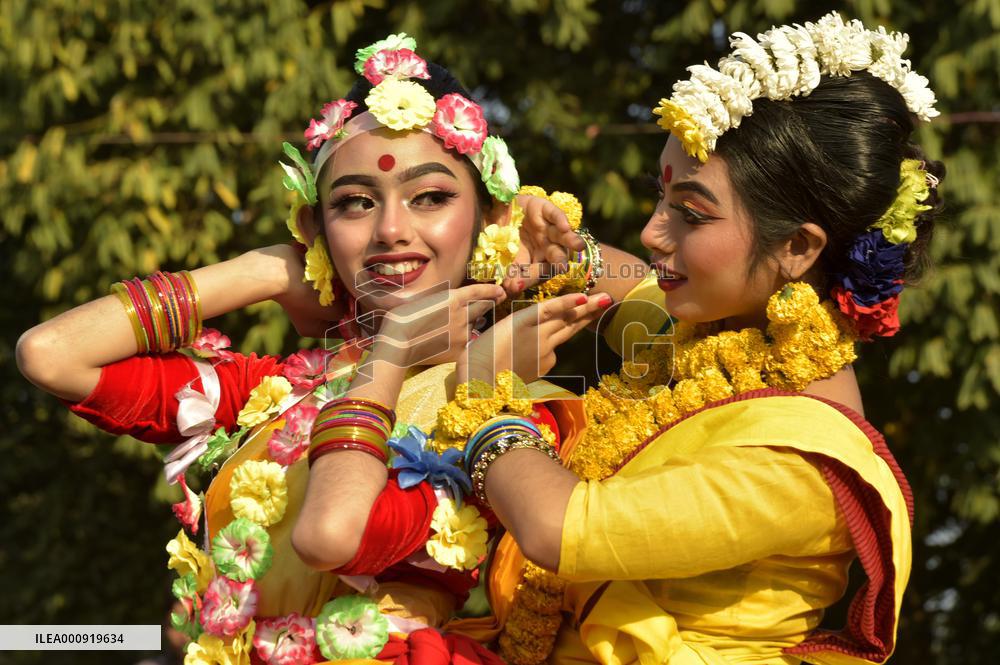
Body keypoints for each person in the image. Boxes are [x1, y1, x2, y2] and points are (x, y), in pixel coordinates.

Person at [15, 34, 642, 665]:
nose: (392, 230)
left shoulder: (490, 402)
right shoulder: (271, 395)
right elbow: (51, 354)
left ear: (489, 219)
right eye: (354, 203)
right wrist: (265, 270)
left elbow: (331, 535)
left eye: (432, 197)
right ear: (318, 229)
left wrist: (566, 252)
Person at [453, 13, 943, 665]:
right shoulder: (721, 337)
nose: (655, 232)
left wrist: (482, 400)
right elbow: (626, 289)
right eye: (661, 197)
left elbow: (559, 526)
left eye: (690, 213)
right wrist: (567, 251)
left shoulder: (803, 459)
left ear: (797, 246)